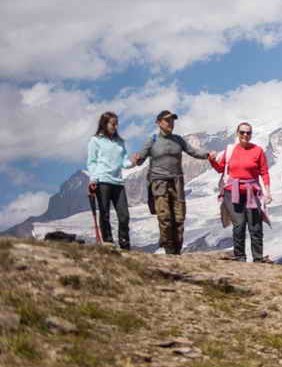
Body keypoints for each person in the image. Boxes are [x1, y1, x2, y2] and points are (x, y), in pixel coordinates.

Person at [132, 110, 216, 255]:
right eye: (167, 120)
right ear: (159, 123)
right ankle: (169, 250)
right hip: (159, 182)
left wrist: (207, 155)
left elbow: (193, 151)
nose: (171, 123)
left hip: (177, 182)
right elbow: (140, 159)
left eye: (172, 120)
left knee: (179, 217)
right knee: (164, 216)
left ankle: (176, 251)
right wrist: (137, 158)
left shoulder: (178, 140)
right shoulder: (152, 140)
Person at [209, 122, 272, 263]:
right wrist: (212, 160)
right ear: (237, 133)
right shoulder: (230, 150)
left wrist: (267, 192)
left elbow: (264, 172)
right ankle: (240, 257)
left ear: (251, 134)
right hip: (232, 191)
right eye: (242, 132)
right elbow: (220, 169)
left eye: (248, 133)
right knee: (239, 224)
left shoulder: (258, 151)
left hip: (252, 192)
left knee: (255, 225)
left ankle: (258, 258)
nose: (245, 135)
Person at [86, 111, 133, 250]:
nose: (115, 126)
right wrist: (93, 179)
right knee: (104, 214)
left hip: (118, 182)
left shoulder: (120, 142)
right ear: (104, 124)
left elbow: (124, 162)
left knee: (124, 215)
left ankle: (125, 245)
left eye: (116, 123)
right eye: (112, 123)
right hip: (103, 181)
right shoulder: (95, 141)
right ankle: (108, 243)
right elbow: (92, 162)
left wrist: (133, 162)